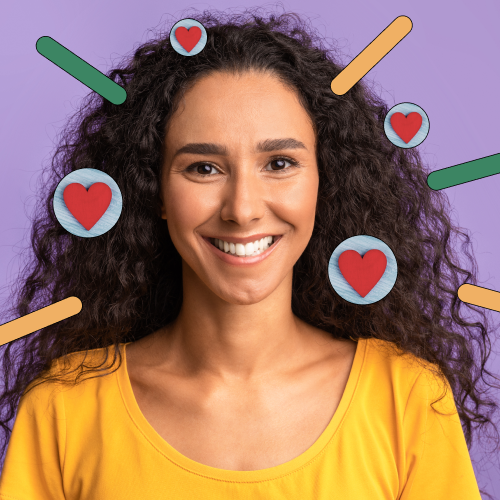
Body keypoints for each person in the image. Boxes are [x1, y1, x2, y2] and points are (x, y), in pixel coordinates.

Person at [0, 8, 498, 499]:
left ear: (327, 183)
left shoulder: (407, 398)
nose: (242, 209)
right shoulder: (64, 409)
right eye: (203, 168)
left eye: (279, 163)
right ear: (153, 191)